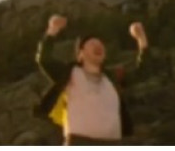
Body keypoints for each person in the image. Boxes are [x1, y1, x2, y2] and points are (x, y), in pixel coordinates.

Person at [34, 14, 148, 145]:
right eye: (93, 43)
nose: (99, 46)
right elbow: (44, 59)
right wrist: (52, 30)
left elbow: (142, 72)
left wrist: (141, 39)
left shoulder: (112, 78)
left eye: (101, 44)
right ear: (80, 54)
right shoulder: (71, 73)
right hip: (79, 142)